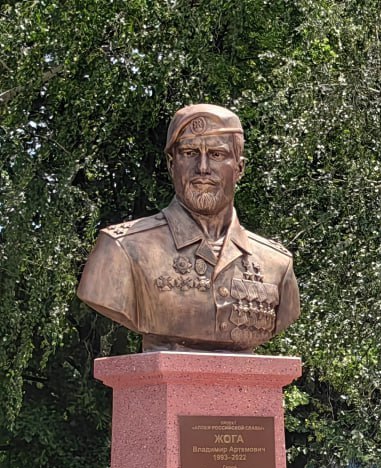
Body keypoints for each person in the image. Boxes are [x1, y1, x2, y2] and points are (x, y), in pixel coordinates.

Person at [77, 104, 300, 352]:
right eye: (190, 153)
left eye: (216, 154)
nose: (202, 167)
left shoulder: (277, 264)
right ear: (172, 165)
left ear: (239, 168)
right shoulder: (122, 248)